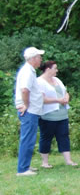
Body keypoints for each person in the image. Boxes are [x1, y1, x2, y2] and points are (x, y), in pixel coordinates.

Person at [37, 61, 78, 168]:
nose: (57, 70)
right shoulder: (39, 82)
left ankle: (68, 160)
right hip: (48, 115)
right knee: (46, 137)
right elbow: (41, 99)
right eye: (55, 68)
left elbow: (65, 92)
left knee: (64, 136)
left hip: (62, 114)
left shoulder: (57, 80)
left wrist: (66, 98)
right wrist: (58, 100)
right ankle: (45, 162)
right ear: (48, 69)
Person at [15, 47, 44, 176]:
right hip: (29, 110)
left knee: (30, 138)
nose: (41, 59)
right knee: (27, 139)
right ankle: (22, 169)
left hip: (33, 110)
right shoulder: (27, 71)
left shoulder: (30, 71)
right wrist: (26, 104)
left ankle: (25, 165)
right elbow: (25, 90)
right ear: (33, 59)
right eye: (39, 57)